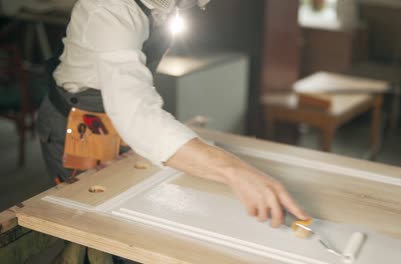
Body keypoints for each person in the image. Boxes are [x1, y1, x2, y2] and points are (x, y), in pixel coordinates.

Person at [37, 0, 309, 262]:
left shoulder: (166, 5)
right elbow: (137, 115)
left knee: (128, 213)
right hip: (82, 124)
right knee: (92, 225)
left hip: (120, 116)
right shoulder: (109, 8)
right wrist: (234, 170)